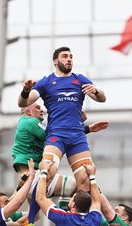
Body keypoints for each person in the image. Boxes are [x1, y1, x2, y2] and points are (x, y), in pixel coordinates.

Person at [18, 46, 106, 194]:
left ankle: (75, 215)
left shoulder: (80, 79)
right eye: (65, 56)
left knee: (85, 181)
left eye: (71, 56)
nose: (69, 59)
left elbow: (102, 98)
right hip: (56, 135)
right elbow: (22, 103)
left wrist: (95, 91)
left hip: (77, 136)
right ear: (55, 61)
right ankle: (33, 215)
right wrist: (25, 90)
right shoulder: (46, 82)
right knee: (47, 172)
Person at [12, 102, 108, 226]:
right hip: (34, 177)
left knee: (36, 214)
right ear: (28, 112)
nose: (41, 110)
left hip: (29, 178)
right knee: (81, 186)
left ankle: (9, 225)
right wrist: (79, 122)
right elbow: (55, 136)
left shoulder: (27, 123)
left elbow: (58, 136)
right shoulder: (30, 122)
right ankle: (73, 218)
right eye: (37, 107)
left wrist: (83, 126)